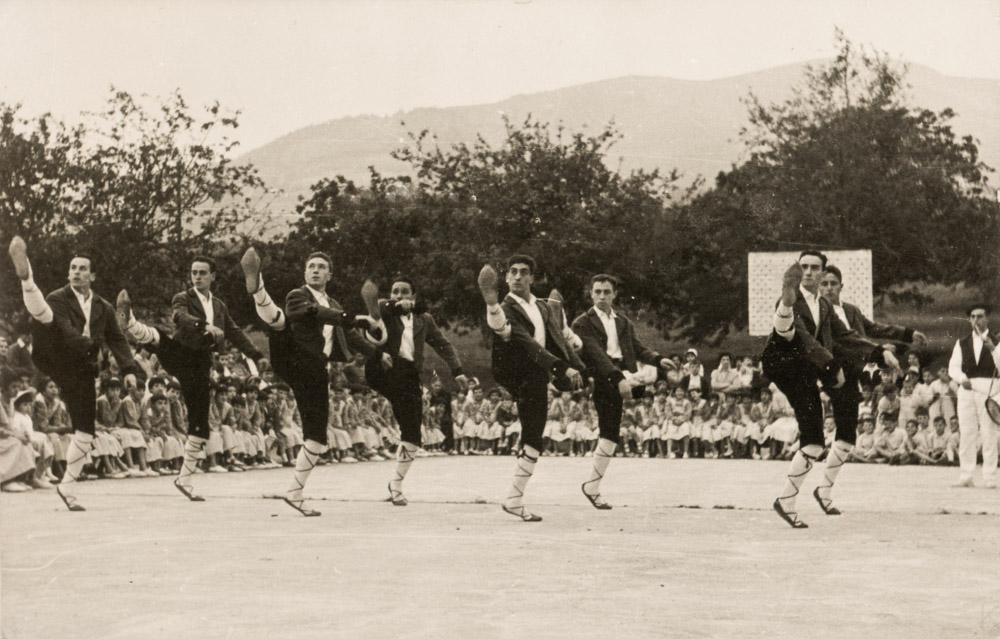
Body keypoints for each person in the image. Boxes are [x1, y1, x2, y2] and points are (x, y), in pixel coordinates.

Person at [240, 247, 383, 516]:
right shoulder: (298, 296)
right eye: (311, 267)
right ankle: (258, 290)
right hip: (292, 355)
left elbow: (350, 336)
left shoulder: (335, 306)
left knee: (316, 438)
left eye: (321, 267)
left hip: (315, 369)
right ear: (305, 273)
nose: (315, 270)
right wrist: (351, 318)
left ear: (330, 275)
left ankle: (295, 491)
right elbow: (313, 312)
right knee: (280, 322)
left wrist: (377, 354)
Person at [760, 252, 898, 529]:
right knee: (813, 440)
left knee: (814, 442)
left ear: (823, 273)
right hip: (784, 366)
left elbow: (845, 336)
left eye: (815, 268)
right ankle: (786, 501)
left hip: (804, 369)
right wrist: (831, 365)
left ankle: (787, 500)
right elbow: (804, 339)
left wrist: (879, 352)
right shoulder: (799, 301)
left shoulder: (822, 305)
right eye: (804, 267)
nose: (809, 272)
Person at [8, 236, 144, 511]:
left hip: (81, 368)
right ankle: (27, 279)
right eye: (73, 268)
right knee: (45, 316)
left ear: (92, 276)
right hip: (53, 353)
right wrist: (94, 346)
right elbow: (66, 331)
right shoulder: (59, 297)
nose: (76, 272)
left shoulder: (103, 306)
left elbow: (117, 339)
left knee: (85, 431)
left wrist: (129, 369)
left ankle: (68, 487)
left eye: (82, 269)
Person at [117, 255, 263, 502]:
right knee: (161, 339)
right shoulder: (183, 298)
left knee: (200, 426)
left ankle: (184, 479)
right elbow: (180, 317)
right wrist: (205, 326)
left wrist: (256, 355)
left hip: (201, 365)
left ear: (213, 276)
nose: (197, 277)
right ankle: (129, 322)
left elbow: (234, 332)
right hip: (181, 353)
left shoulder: (219, 305)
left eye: (202, 273)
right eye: (194, 272)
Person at [478, 255, 584, 522]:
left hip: (537, 373)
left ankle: (515, 497)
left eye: (523, 272)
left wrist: (577, 365)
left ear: (531, 278)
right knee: (533, 437)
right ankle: (514, 499)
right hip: (518, 373)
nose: (517, 276)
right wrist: (561, 367)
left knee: (533, 435)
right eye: (512, 271)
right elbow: (527, 343)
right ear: (506, 277)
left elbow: (555, 338)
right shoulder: (509, 306)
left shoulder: (541, 305)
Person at [569, 273, 673, 508]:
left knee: (611, 433)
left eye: (607, 292)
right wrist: (618, 378)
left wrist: (658, 359)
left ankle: (592, 485)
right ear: (591, 294)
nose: (602, 296)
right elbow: (596, 354)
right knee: (609, 432)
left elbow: (636, 347)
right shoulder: (582, 323)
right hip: (602, 376)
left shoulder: (622, 321)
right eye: (597, 292)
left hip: (622, 375)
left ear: (614, 294)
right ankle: (592, 486)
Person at [362, 275, 467, 505]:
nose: (399, 295)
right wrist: (396, 305)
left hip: (408, 374)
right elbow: (377, 306)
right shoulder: (384, 310)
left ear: (414, 296)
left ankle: (396, 483)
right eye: (395, 291)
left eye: (404, 291)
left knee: (412, 434)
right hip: (383, 367)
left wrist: (457, 370)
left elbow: (442, 344)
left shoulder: (424, 319)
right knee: (390, 391)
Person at [947, 303, 1000, 488]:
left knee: (988, 433)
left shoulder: (997, 341)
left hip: (989, 388)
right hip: (967, 389)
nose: (977, 320)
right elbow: (953, 367)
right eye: (973, 317)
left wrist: (993, 349)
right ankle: (966, 475)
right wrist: (962, 379)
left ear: (987, 319)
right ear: (970, 320)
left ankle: (990, 476)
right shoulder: (962, 342)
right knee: (967, 432)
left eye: (980, 316)